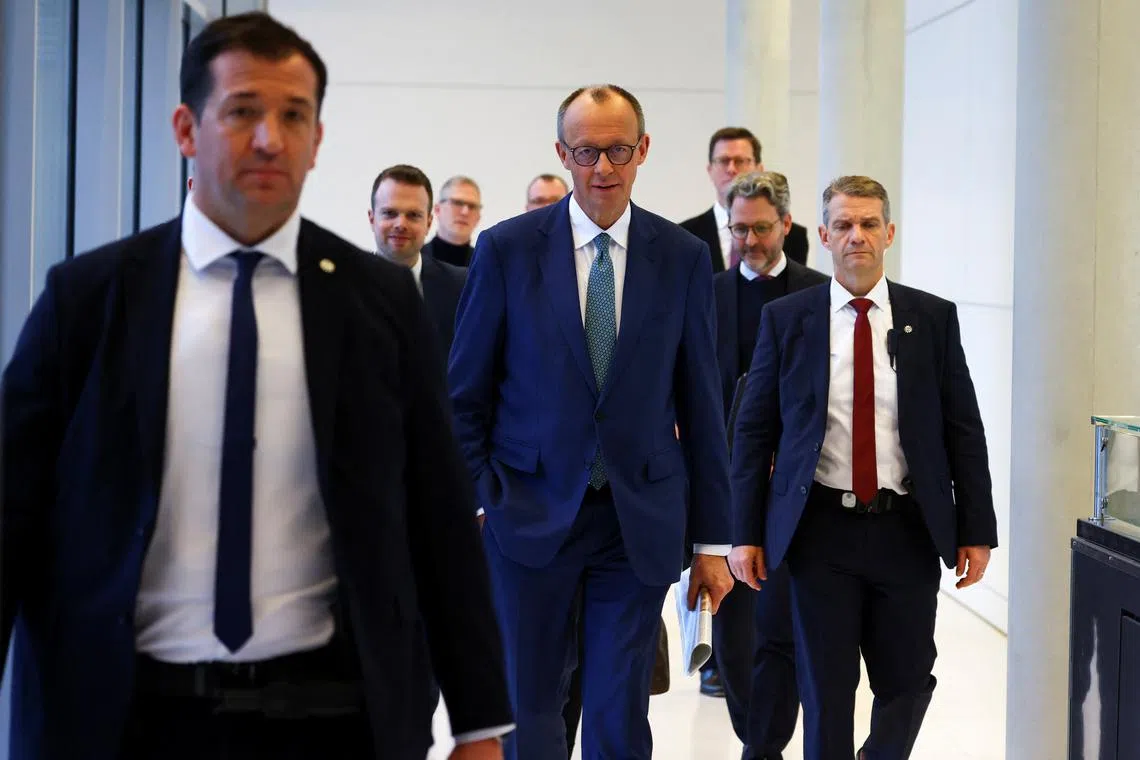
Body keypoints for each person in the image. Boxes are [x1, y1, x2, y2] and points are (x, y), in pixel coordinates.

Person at [0, 12, 510, 760]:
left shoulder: (378, 303)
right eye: (242, 112)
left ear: (316, 141)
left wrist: (479, 722)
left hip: (333, 717)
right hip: (122, 717)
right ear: (186, 128)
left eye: (293, 116)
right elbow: (11, 508)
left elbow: (436, 512)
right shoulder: (91, 298)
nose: (269, 137)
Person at [448, 84, 735, 760]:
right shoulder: (506, 250)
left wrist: (714, 542)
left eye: (616, 150)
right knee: (530, 707)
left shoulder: (683, 258)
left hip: (635, 521)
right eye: (585, 151)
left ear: (643, 150)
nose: (602, 167)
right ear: (562, 153)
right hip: (525, 513)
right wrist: (482, 495)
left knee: (617, 710)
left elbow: (702, 404)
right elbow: (464, 395)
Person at [728, 175, 998, 760]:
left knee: (907, 679)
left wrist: (976, 530)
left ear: (889, 233)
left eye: (869, 224)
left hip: (906, 528)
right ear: (822, 234)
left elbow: (963, 430)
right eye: (844, 225)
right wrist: (744, 533)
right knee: (826, 689)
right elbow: (754, 434)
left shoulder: (932, 319)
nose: (857, 236)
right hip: (819, 530)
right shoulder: (788, 319)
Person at [711, 171, 827, 758]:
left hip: (800, 493)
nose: (749, 240)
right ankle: (752, 734)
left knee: (786, 628)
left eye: (760, 228)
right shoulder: (707, 294)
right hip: (727, 489)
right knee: (733, 633)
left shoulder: (822, 295)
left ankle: (766, 743)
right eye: (739, 229)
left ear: (786, 224)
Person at [680, 127, 810, 277]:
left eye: (740, 161)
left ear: (759, 168)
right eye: (723, 161)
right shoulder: (685, 235)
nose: (731, 169)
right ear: (710, 170)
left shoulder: (794, 235)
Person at [369, 163, 466, 361]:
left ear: (429, 222)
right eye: (389, 213)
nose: (400, 224)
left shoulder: (462, 287)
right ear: (372, 219)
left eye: (413, 215)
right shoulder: (343, 286)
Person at [423, 175, 482, 267]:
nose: (465, 212)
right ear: (438, 210)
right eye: (457, 203)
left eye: (472, 206)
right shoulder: (414, 260)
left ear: (478, 217)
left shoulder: (486, 264)